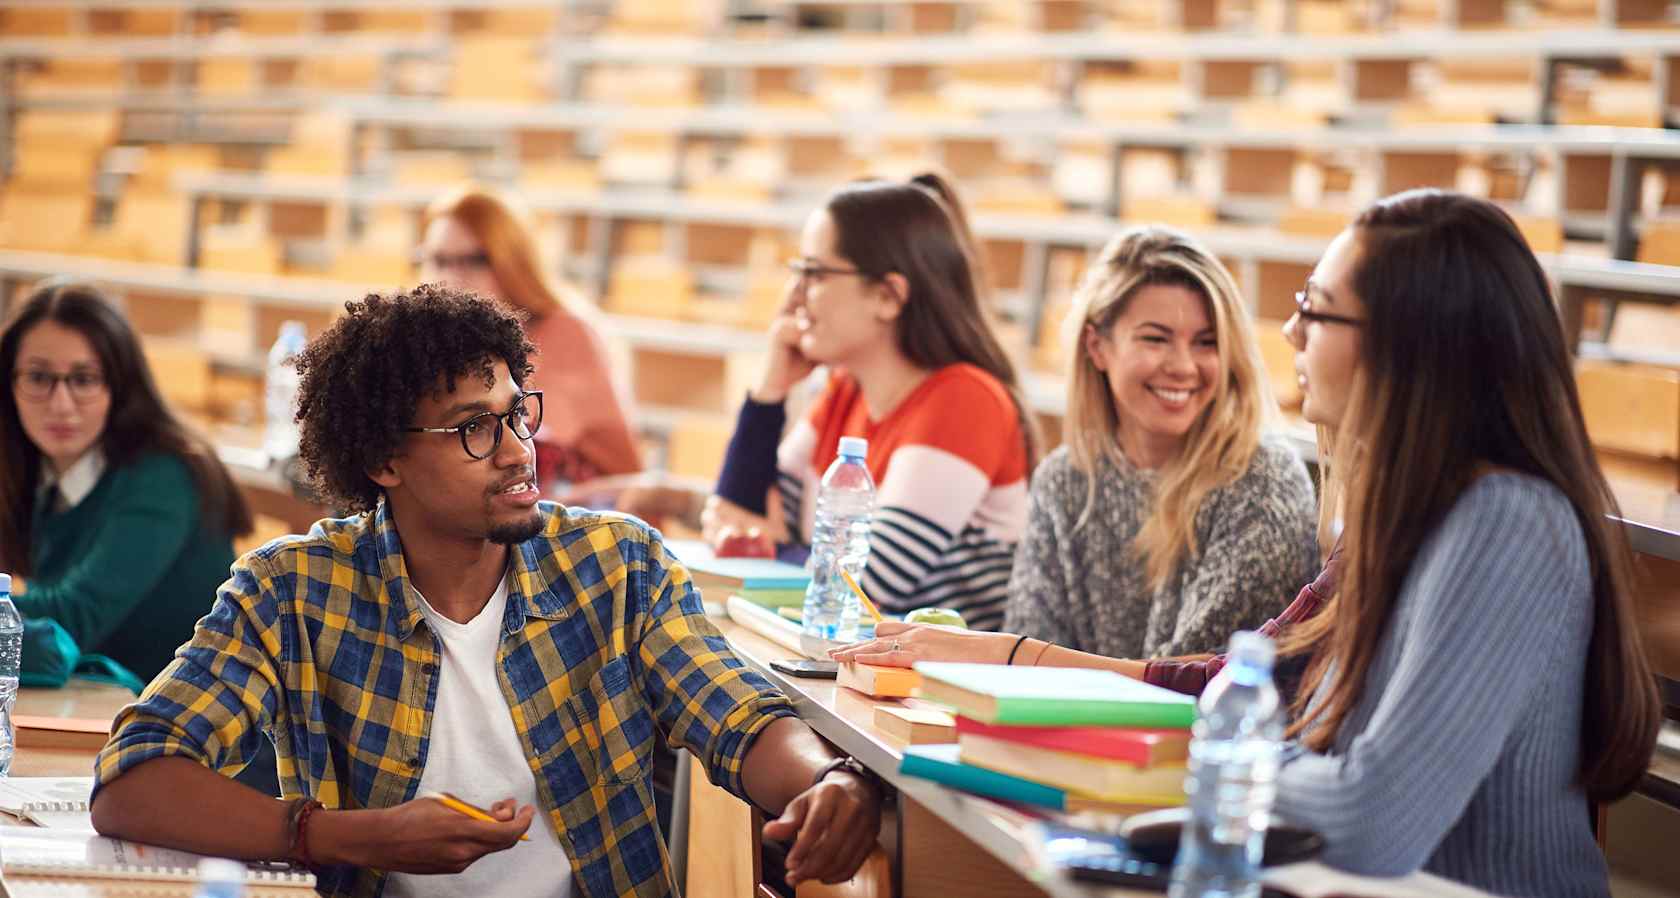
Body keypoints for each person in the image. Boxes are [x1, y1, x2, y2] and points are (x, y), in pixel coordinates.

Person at [837, 190, 1662, 895]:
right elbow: (1238, 691)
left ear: (1405, 342)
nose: (1290, 335)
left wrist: (1217, 751)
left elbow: (1370, 819)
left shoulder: (1504, 525)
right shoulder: (1405, 514)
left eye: (1314, 308)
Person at [89, 286, 882, 898]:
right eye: (474, 428)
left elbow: (738, 716)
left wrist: (828, 779)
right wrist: (347, 837)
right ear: (382, 462)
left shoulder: (617, 566)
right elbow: (132, 781)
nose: (516, 452)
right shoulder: (293, 591)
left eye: (517, 416)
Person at [707, 172, 1038, 631]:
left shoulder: (965, 399)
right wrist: (771, 391)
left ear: (888, 296)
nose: (794, 297)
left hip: (935, 693)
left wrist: (773, 549)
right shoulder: (845, 390)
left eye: (815, 274)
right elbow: (735, 519)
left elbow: (862, 590)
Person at [1005, 226, 1316, 658]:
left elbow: (1194, 684)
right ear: (1097, 347)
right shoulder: (1065, 477)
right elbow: (1024, 656)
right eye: (1155, 338)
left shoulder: (1263, 480)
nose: (1183, 366)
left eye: (1207, 343)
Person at [0, 281, 253, 681]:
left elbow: (73, 618)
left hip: (186, 730)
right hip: (97, 704)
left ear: (118, 386)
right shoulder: (27, 466)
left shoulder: (164, 474)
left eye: (83, 380)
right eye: (38, 377)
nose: (60, 404)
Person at [419, 184, 642, 491]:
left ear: (511, 261)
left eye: (476, 260)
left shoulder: (565, 332)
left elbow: (624, 478)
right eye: (439, 261)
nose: (452, 278)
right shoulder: (434, 342)